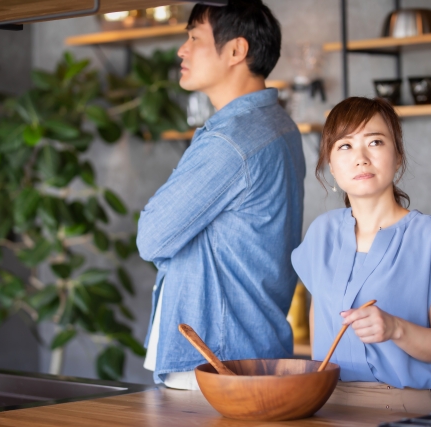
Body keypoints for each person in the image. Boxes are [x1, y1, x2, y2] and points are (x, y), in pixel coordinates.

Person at [137, 0, 305, 390]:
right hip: (248, 354)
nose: (182, 50)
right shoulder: (279, 124)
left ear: (235, 50)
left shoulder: (231, 141)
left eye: (194, 38)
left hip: (215, 364)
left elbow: (151, 237)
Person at [291, 97, 431, 413]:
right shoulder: (320, 234)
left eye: (375, 142)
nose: (361, 158)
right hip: (325, 404)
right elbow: (318, 321)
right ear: (330, 165)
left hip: (403, 408)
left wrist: (396, 329)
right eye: (345, 146)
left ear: (397, 157)